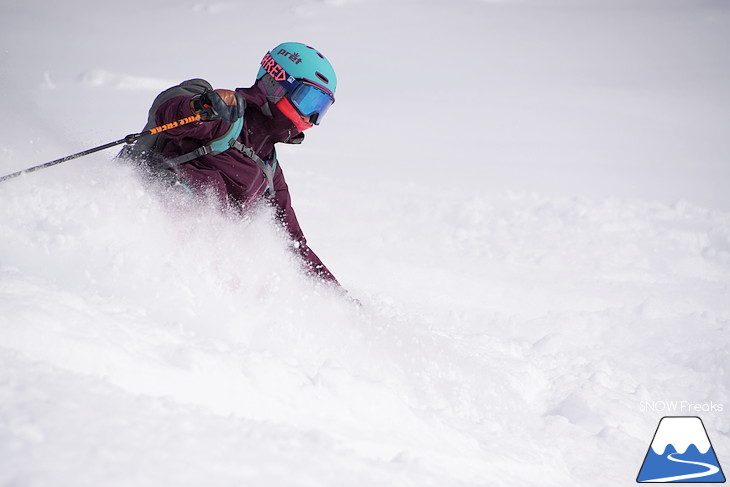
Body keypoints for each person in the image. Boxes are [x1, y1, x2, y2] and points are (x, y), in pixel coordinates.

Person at [144, 42, 339, 285]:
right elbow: (170, 115)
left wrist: (341, 302)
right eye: (309, 100)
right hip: (149, 238)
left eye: (320, 109)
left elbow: (293, 245)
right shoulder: (226, 119)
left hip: (195, 272)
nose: (311, 118)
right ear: (277, 84)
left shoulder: (269, 171)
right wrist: (201, 105)